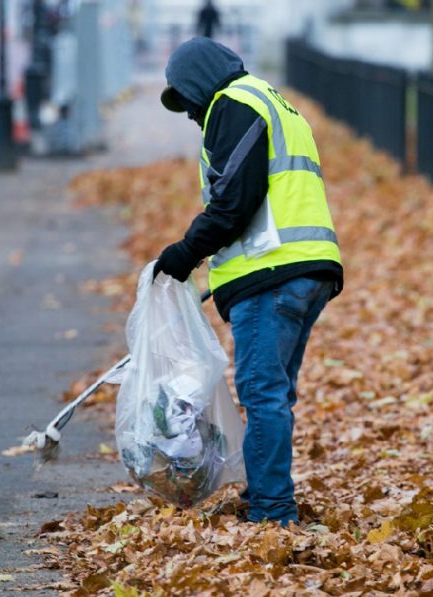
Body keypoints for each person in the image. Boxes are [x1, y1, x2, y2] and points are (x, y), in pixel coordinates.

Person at [154, 37, 343, 526]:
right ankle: (267, 495)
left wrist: (184, 253)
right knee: (274, 395)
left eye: (188, 102)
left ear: (198, 85)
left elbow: (234, 202)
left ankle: (273, 512)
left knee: (262, 394)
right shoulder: (272, 100)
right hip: (308, 267)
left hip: (273, 276)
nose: (191, 115)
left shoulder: (233, 104)